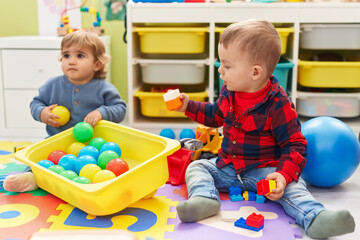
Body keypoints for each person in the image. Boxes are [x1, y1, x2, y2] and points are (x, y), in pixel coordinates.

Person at [173, 19, 355, 239]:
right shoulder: (229, 91)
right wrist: (187, 106)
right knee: (197, 167)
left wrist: (283, 175)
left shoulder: (279, 104)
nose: (220, 70)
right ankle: (205, 199)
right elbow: (214, 115)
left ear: (255, 72)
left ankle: (315, 217)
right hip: (227, 166)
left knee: (295, 187)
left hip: (264, 171)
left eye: (227, 66)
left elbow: (295, 144)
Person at [3, 29, 127, 192]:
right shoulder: (52, 85)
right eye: (66, 55)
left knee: (111, 158)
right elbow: (36, 103)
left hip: (94, 147)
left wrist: (101, 113)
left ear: (97, 64)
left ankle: (102, 181)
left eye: (80, 56)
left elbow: (120, 109)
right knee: (40, 156)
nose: (71, 61)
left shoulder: (103, 88)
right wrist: (42, 113)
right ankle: (31, 177)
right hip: (58, 141)